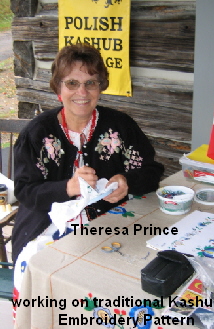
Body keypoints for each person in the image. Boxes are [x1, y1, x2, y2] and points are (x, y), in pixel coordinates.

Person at [12, 43, 164, 306]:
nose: (82, 92)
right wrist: (67, 188)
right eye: (72, 83)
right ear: (58, 88)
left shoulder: (120, 126)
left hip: (107, 222)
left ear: (100, 87)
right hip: (46, 226)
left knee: (128, 280)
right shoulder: (37, 133)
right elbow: (25, 191)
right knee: (58, 285)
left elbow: (151, 171)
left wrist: (128, 182)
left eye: (91, 83)